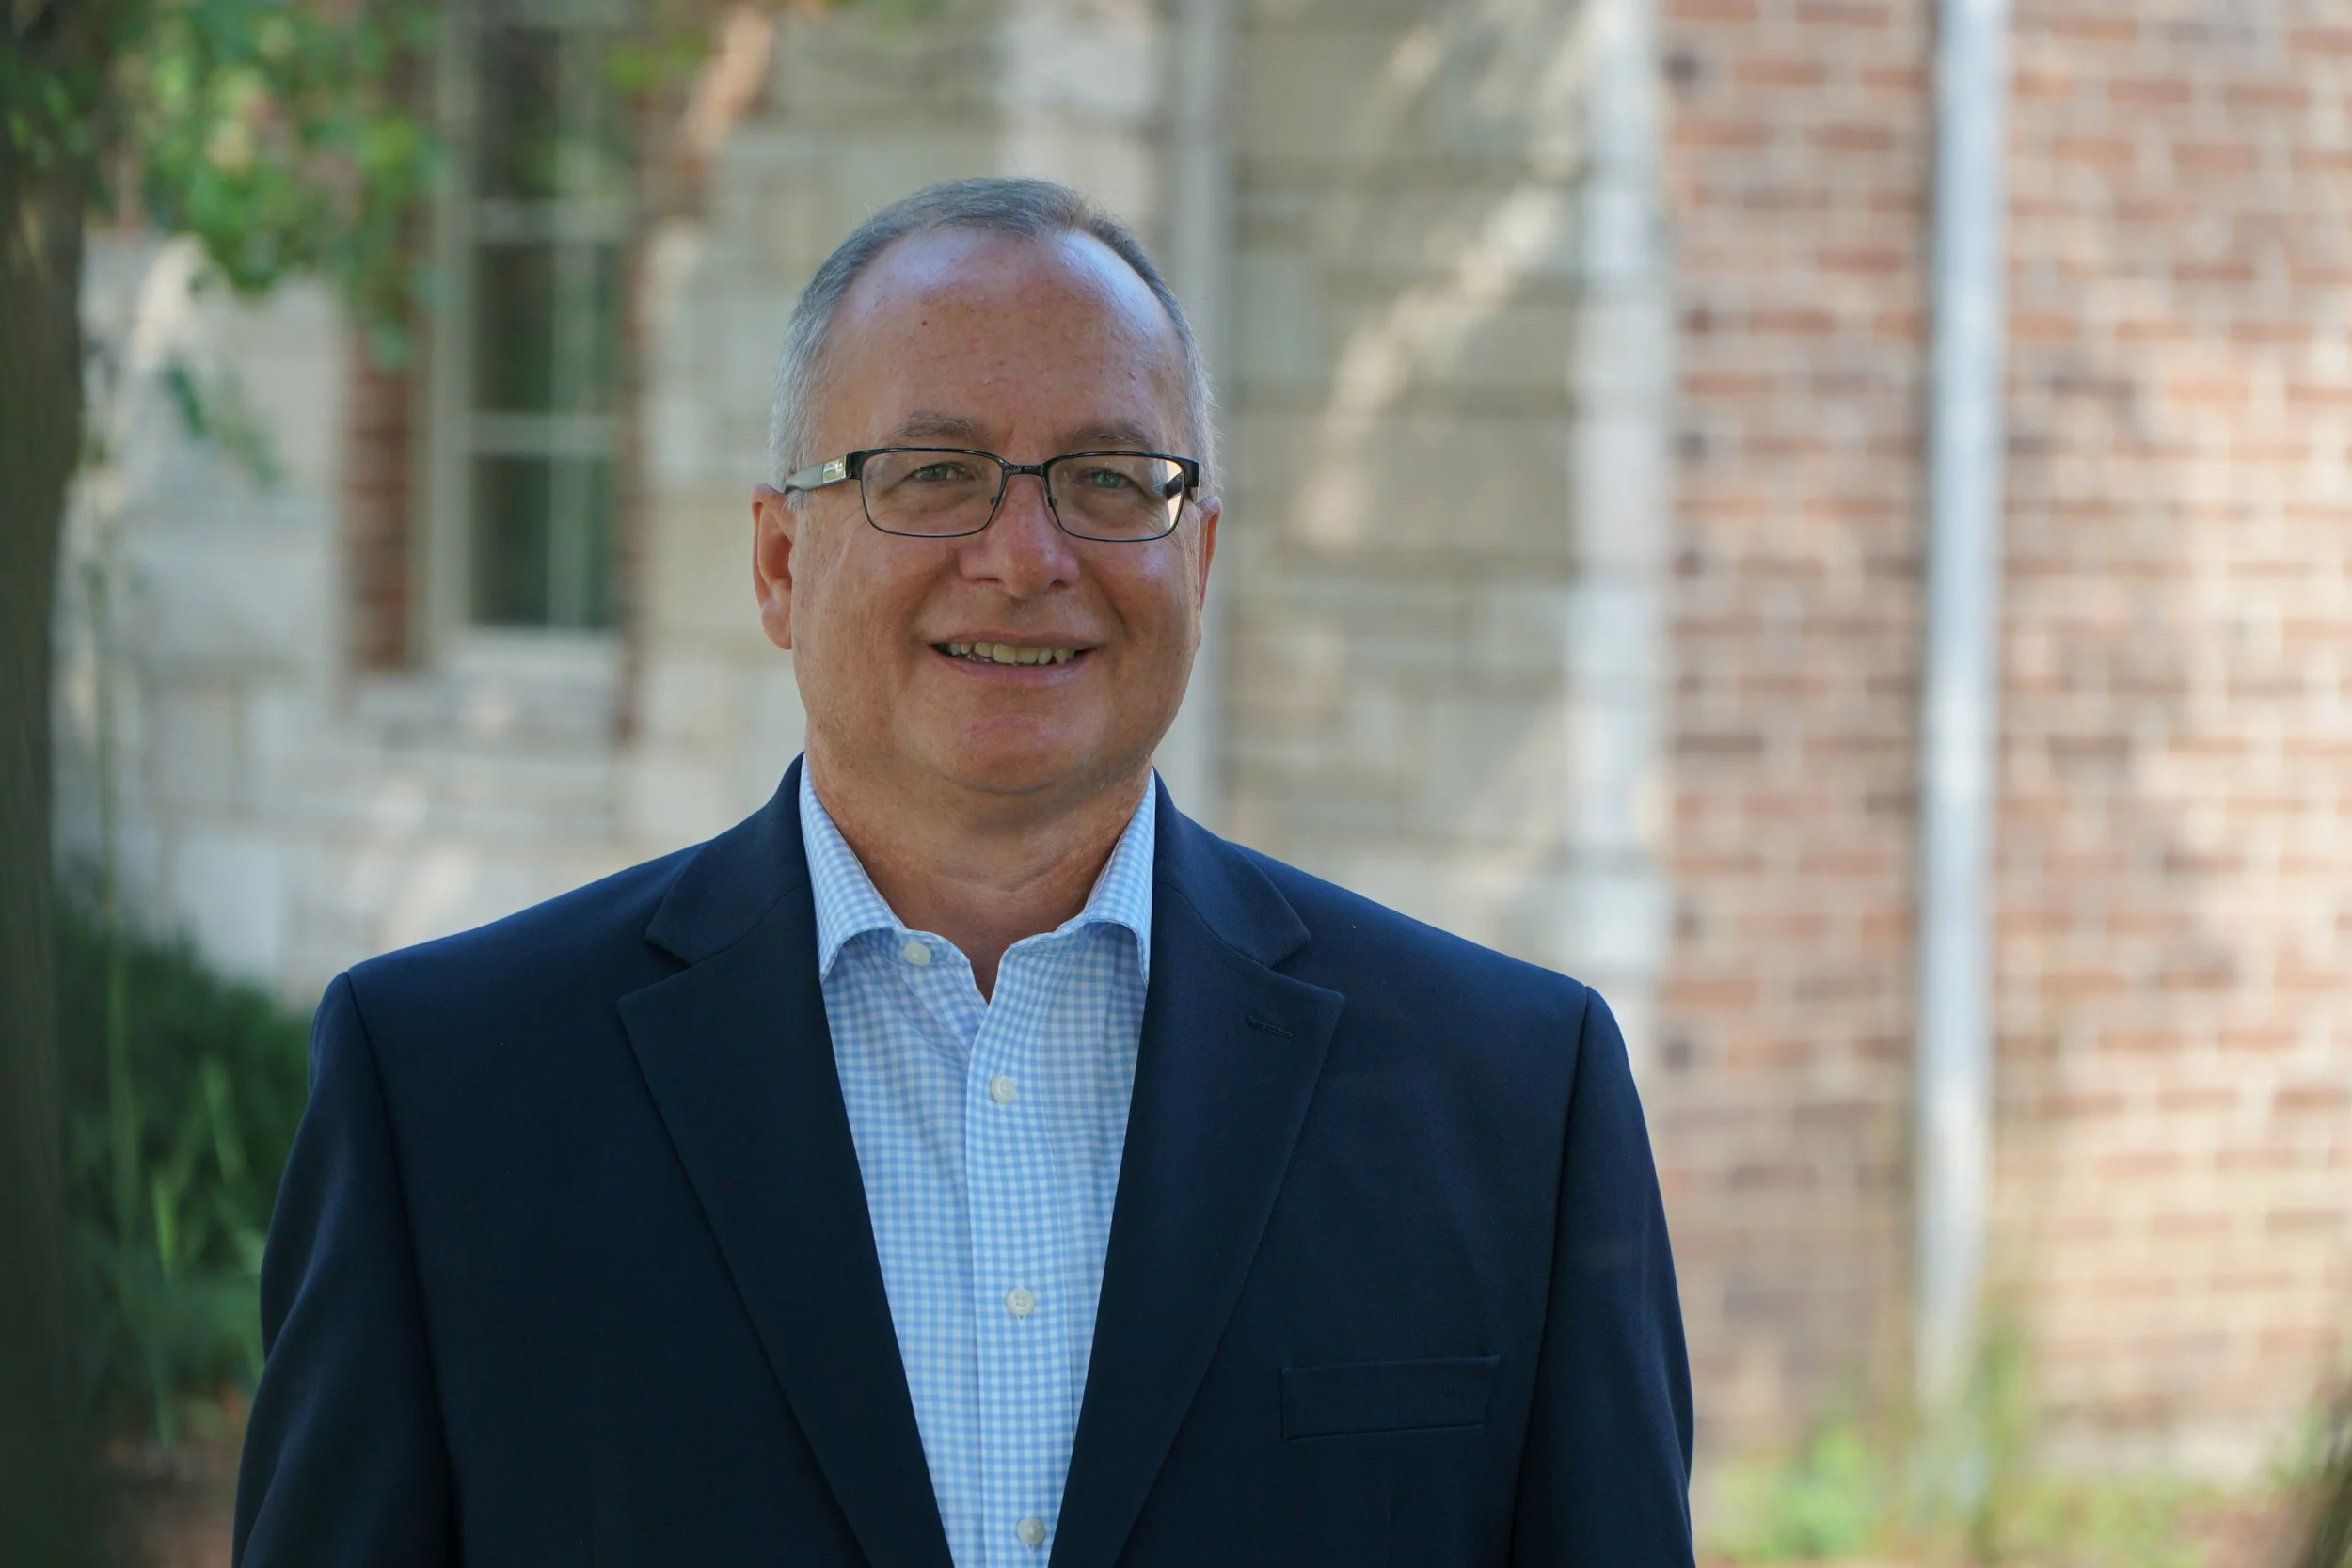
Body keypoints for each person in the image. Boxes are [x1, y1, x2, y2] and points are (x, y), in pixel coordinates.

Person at [232, 177, 1694, 1568]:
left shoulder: (1515, 1101)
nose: (1023, 554)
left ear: (1198, 563)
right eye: (932, 474)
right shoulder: (445, 1096)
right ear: (778, 561)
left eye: (1108, 478)